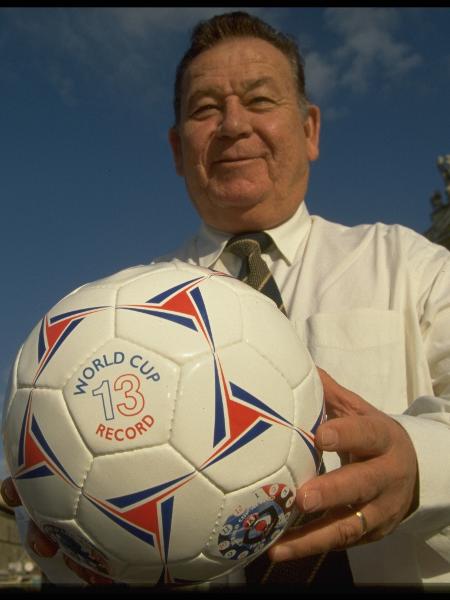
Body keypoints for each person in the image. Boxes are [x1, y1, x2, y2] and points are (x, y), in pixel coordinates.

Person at [2, 10, 450, 589]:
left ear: (309, 129)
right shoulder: (103, 324)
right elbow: (56, 519)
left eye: (260, 101)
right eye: (205, 109)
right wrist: (74, 555)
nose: (233, 124)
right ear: (176, 145)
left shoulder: (413, 266)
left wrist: (421, 467)